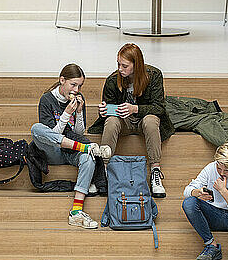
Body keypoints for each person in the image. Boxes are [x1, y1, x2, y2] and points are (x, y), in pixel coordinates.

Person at [88, 43, 174, 198]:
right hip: (123, 122)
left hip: (143, 120)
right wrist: (104, 111)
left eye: (125, 66)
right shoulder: (113, 80)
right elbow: (109, 109)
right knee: (111, 121)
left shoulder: (154, 75)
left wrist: (135, 109)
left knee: (151, 121)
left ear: (137, 64)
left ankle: (155, 171)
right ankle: (102, 171)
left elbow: (159, 108)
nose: (120, 69)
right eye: (118, 64)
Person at [31, 63, 110, 229]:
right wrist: (67, 113)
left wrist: (79, 112)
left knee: (88, 158)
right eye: (73, 84)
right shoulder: (47, 99)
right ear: (62, 81)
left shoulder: (79, 99)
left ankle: (76, 212)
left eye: (80, 85)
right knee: (36, 129)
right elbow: (52, 135)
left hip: (72, 148)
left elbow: (80, 133)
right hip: (53, 151)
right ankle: (88, 148)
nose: (76, 89)